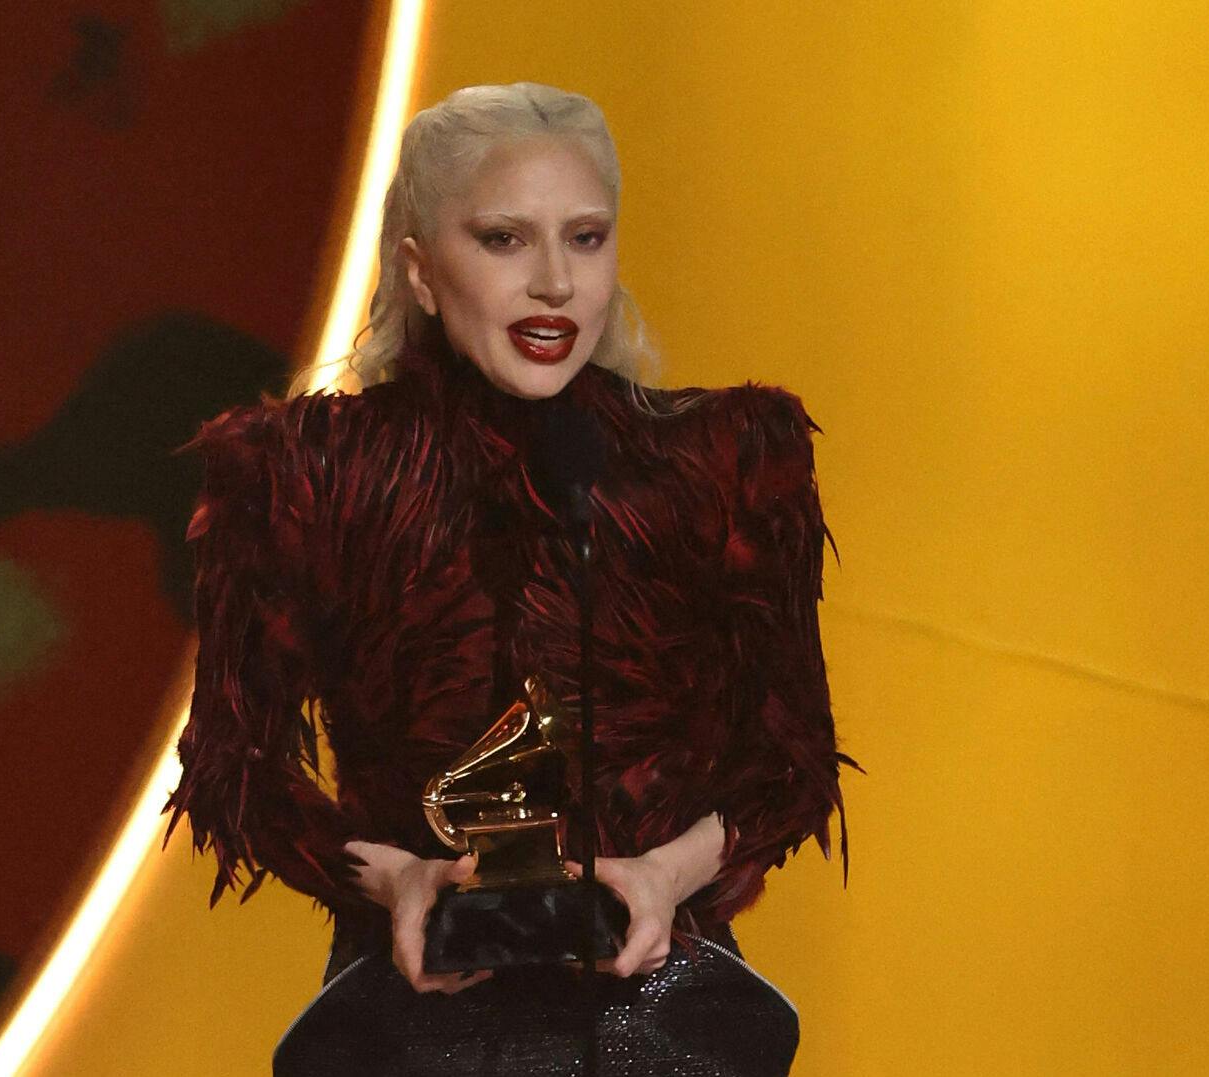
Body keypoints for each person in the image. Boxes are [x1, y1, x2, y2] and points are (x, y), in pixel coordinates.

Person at [165, 81, 855, 1074]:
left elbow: (790, 764)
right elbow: (239, 771)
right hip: (413, 1024)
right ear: (420, 270)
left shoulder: (726, 462)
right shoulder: (304, 476)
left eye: (585, 238)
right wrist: (401, 882)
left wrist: (663, 877)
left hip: (657, 1023)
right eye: (502, 240)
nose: (554, 284)